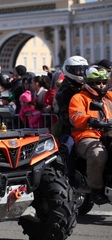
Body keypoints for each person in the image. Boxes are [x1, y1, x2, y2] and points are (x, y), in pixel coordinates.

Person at [69, 66, 112, 204]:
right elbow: (76, 116)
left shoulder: (109, 97)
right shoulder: (79, 98)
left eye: (104, 82)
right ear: (89, 83)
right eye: (98, 82)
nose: (101, 85)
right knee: (98, 154)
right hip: (86, 135)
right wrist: (90, 120)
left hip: (108, 133)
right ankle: (96, 190)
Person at [55, 55, 89, 183]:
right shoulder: (63, 92)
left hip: (87, 124)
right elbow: (67, 117)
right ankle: (70, 176)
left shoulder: (86, 86)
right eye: (77, 70)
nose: (81, 73)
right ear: (69, 70)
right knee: (68, 145)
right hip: (69, 127)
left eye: (83, 69)